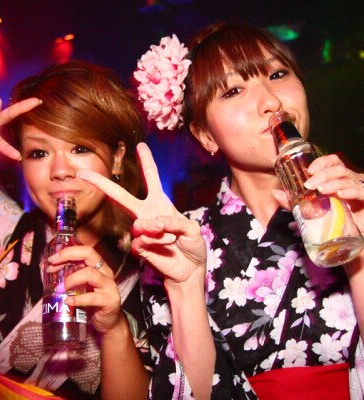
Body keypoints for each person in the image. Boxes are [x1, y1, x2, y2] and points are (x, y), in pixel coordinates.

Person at [76, 22, 364, 399]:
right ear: (205, 135)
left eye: (278, 74)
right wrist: (185, 287)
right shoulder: (178, 241)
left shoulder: (355, 203)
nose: (271, 102)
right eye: (233, 90)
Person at [0, 61, 151, 399]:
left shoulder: (152, 263)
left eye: (80, 148)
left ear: (116, 157)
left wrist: (114, 330)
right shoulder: (0, 229)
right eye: (39, 152)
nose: (60, 170)